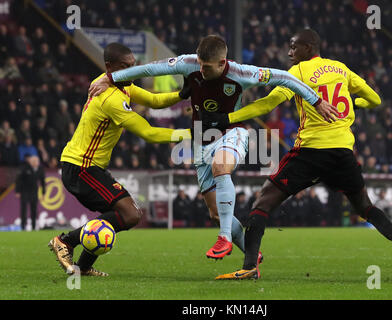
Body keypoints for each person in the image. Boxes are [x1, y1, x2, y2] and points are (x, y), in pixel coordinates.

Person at [88, 34, 337, 261]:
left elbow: (286, 77)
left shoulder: (243, 73)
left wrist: (316, 101)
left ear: (222, 62)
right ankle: (252, 255)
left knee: (221, 166)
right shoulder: (188, 63)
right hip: (200, 140)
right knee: (215, 212)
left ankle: (224, 238)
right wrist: (110, 78)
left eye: (208, 66)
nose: (202, 70)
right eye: (200, 64)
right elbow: (152, 68)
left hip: (232, 132)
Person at [211, 29, 392, 280]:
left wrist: (227, 118)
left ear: (309, 48)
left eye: (294, 47)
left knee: (263, 202)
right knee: (365, 207)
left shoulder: (297, 73)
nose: (289, 52)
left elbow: (267, 104)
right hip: (342, 153)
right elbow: (375, 98)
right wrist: (358, 104)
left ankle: (249, 267)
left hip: (310, 151)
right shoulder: (340, 69)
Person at [48, 42, 191, 277]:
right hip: (81, 167)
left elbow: (154, 101)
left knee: (118, 214)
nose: (131, 71)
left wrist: (181, 94)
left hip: (89, 167)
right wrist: (191, 134)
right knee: (129, 214)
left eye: (133, 66)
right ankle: (66, 242)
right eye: (125, 67)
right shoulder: (110, 98)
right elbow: (149, 133)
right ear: (109, 67)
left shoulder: (120, 83)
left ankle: (82, 267)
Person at [15, 155, 46, 230]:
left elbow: (43, 182)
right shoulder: (25, 168)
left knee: (34, 210)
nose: (36, 163)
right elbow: (18, 180)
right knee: (24, 210)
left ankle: (33, 226)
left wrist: (43, 193)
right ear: (31, 162)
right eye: (34, 161)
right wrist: (17, 191)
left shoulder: (40, 169)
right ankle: (23, 226)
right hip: (24, 191)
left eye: (37, 161)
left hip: (34, 191)